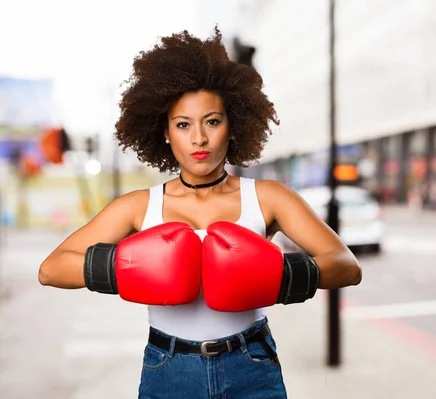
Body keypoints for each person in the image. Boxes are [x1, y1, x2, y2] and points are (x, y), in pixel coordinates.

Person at [37, 28, 362, 399]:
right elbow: (51, 269)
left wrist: (280, 275)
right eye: (183, 125)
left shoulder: (268, 197)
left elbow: (347, 266)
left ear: (232, 125)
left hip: (251, 364)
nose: (199, 140)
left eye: (212, 121)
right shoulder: (139, 206)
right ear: (164, 132)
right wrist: (123, 267)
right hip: (169, 368)